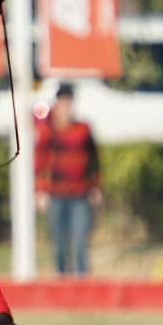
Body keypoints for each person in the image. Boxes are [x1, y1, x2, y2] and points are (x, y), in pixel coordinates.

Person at [34, 83, 102, 276]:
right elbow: (41, 162)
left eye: (68, 101)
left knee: (80, 242)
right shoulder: (48, 131)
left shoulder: (83, 129)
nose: (66, 106)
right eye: (62, 101)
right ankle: (62, 281)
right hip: (56, 193)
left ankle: (82, 282)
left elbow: (94, 159)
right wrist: (40, 190)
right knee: (59, 243)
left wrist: (95, 186)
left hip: (80, 192)